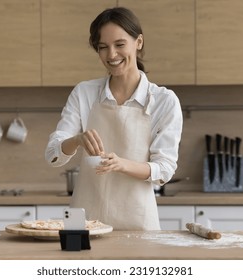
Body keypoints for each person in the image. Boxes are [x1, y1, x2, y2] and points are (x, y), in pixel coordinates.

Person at [45, 7, 182, 230]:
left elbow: (164, 170)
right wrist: (77, 140)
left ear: (138, 42)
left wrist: (122, 165)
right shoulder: (84, 93)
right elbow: (53, 154)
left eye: (119, 45)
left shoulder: (163, 100)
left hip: (138, 224)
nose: (111, 55)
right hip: (85, 224)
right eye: (103, 47)